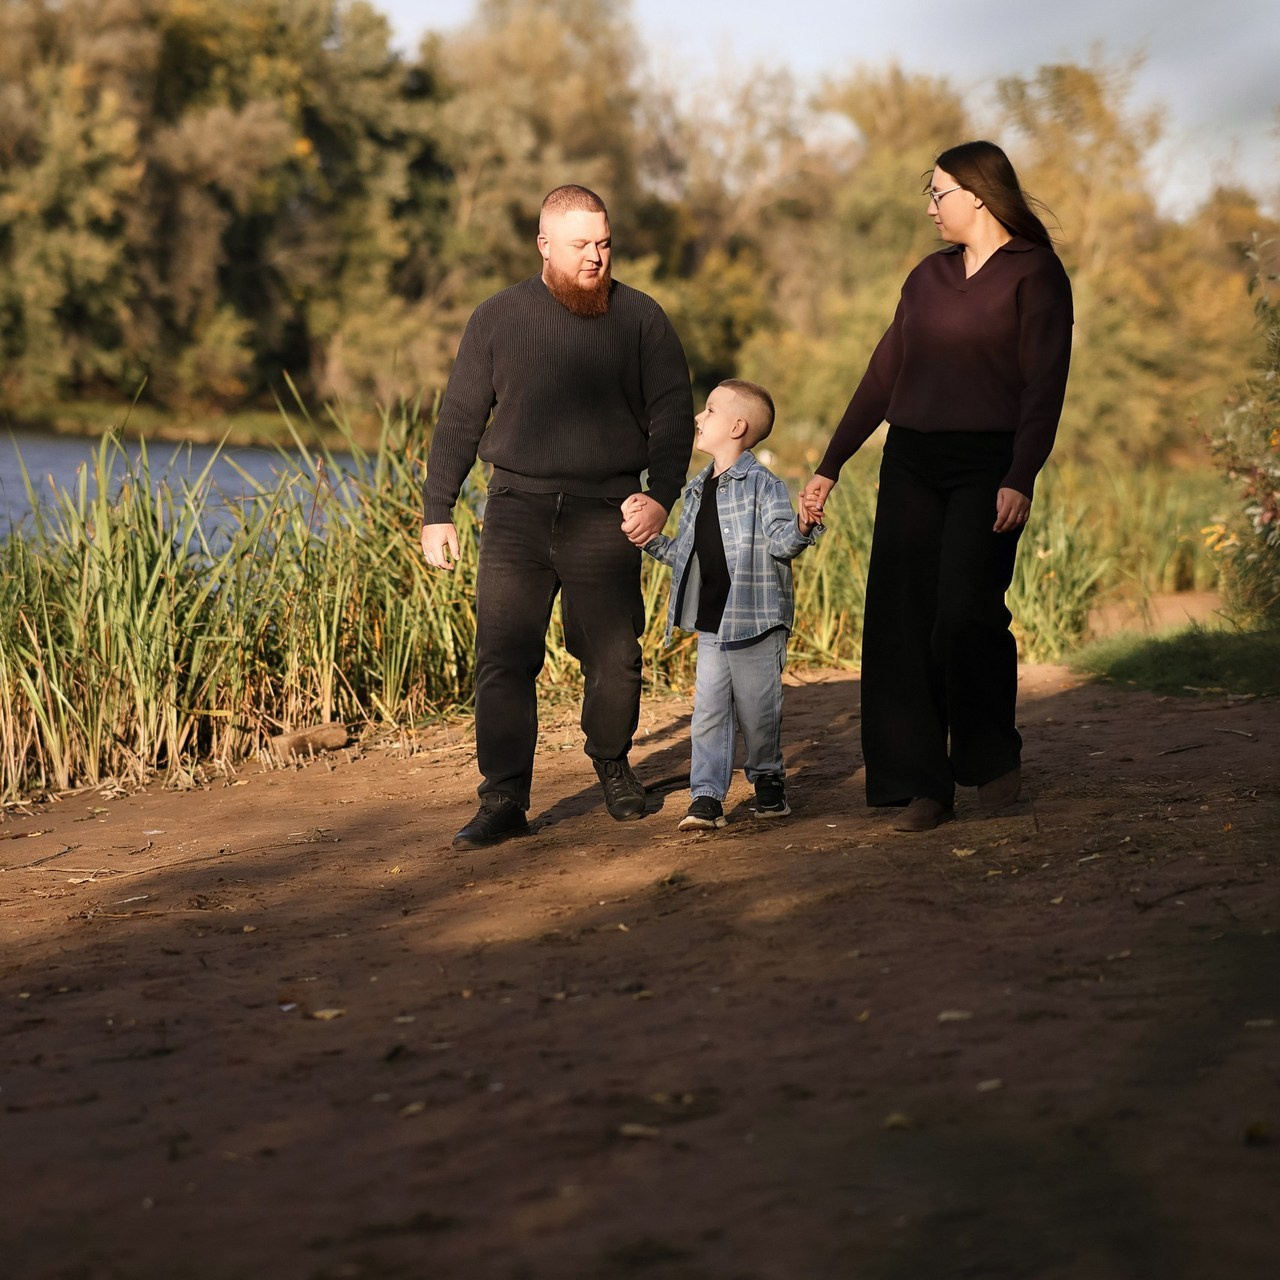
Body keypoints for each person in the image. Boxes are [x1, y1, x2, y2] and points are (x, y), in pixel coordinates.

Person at [801, 140, 1073, 833]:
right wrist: (831, 464)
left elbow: (1045, 388)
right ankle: (920, 783)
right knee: (902, 619)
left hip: (988, 463)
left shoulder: (1035, 274)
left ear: (976, 195)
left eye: (938, 192)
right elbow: (881, 374)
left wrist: (1021, 475)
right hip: (913, 460)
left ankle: (990, 755)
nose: (931, 207)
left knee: (964, 610)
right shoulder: (928, 278)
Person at [421, 184, 694, 849]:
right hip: (516, 511)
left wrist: (660, 497)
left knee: (614, 656)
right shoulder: (497, 318)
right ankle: (504, 797)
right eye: (581, 246)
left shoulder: (641, 319)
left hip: (609, 512)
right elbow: (460, 417)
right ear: (545, 245)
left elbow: (674, 416)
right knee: (503, 660)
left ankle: (611, 759)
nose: (595, 257)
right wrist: (438, 509)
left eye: (604, 244)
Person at [635, 379, 821, 831]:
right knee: (709, 712)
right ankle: (705, 797)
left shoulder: (763, 484)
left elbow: (781, 542)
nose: (699, 417)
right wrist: (649, 540)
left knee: (759, 711)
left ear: (737, 426)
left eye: (710, 410)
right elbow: (687, 554)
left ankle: (768, 783)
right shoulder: (697, 488)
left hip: (755, 619)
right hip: (712, 621)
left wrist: (803, 524)